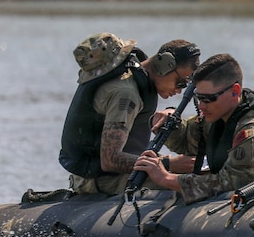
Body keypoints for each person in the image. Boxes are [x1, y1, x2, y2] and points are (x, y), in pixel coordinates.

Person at [134, 53, 254, 205]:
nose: (201, 105)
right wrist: (169, 122)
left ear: (235, 91)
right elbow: (187, 142)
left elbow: (233, 182)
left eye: (208, 98)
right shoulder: (218, 112)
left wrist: (167, 179)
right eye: (198, 98)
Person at [60, 34, 201, 195]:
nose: (180, 90)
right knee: (187, 186)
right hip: (98, 181)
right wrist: (169, 164)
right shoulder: (126, 94)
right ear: (164, 65)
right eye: (181, 82)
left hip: (119, 173)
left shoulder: (136, 78)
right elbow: (110, 160)